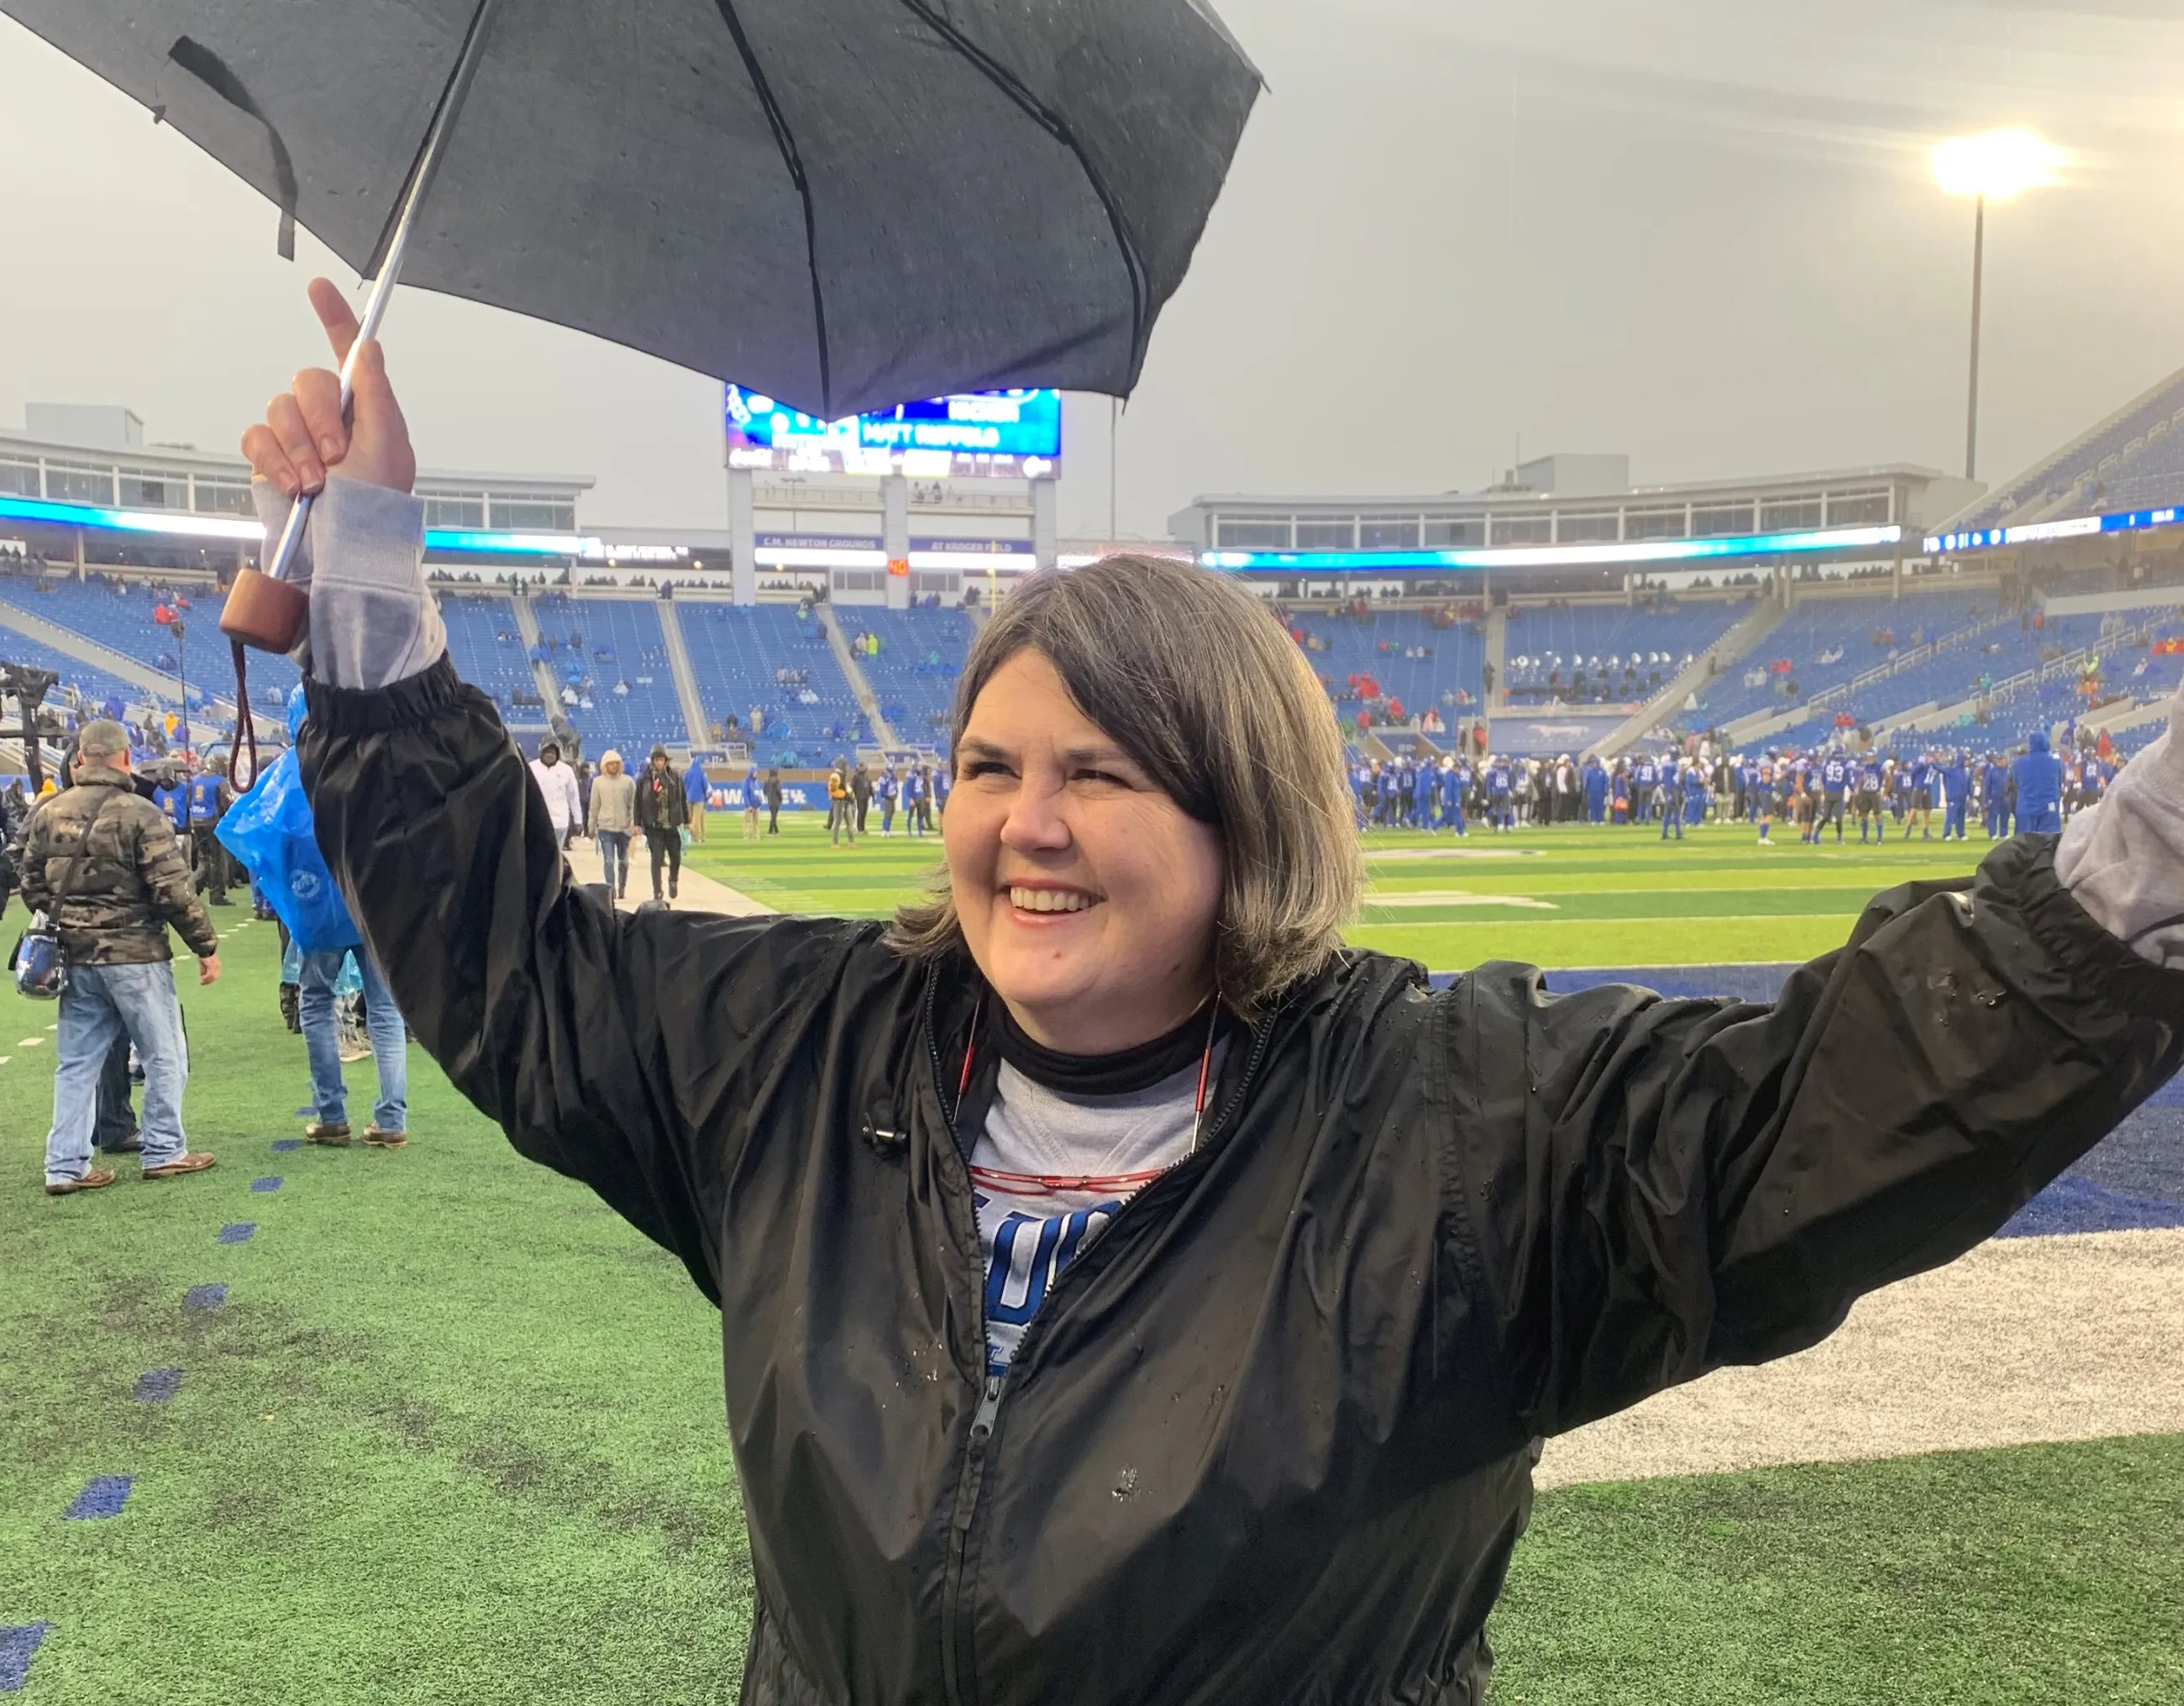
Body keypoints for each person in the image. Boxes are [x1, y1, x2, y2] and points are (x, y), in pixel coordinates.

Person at [255, 292, 2184, 1706]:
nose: (1026, 828)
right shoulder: (803, 1050)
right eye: (988, 767)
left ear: (1239, 808)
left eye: (1098, 773)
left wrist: (2144, 872)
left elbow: (1815, 1114)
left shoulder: (1451, 1126)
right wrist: (362, 567)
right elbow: (515, 970)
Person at [24, 720, 221, 1194]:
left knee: (77, 1062)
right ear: (125, 759)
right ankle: (165, 1150)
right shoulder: (141, 814)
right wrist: (205, 946)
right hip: (136, 955)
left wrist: (71, 920)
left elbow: (30, 883)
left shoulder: (48, 812)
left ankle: (65, 1165)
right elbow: (173, 891)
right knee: (164, 1055)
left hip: (76, 956)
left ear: (80, 758)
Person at [298, 947, 410, 1148]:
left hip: (321, 920)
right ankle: (392, 1122)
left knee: (317, 1002)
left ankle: (331, 1117)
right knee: (385, 1007)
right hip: (375, 918)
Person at [635, 745, 686, 902]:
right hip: (654, 825)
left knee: (676, 857)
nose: (659, 762)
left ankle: (673, 880)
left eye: (662, 759)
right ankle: (657, 890)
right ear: (652, 761)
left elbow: (682, 799)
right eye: (656, 759)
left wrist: (688, 821)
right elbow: (638, 802)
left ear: (666, 761)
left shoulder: (675, 777)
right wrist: (637, 823)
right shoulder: (644, 779)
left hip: (671, 824)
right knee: (656, 858)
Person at [588, 748, 637, 899]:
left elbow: (633, 805)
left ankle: (622, 887)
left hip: (624, 828)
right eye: (611, 764)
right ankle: (610, 889)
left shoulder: (628, 782)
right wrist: (591, 826)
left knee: (623, 862)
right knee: (609, 861)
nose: (614, 766)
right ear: (605, 765)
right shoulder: (598, 783)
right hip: (605, 828)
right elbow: (594, 806)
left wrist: (633, 823)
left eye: (617, 763)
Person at [186, 752, 234, 905]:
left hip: (196, 820)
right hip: (212, 821)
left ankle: (193, 888)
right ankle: (215, 895)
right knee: (215, 859)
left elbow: (189, 801)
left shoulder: (196, 779)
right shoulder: (220, 781)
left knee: (203, 858)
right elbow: (226, 804)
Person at [528, 738, 583, 850]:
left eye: (553, 752)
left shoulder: (566, 770)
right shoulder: (531, 768)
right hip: (537, 821)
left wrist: (578, 821)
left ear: (557, 753)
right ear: (542, 752)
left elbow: (573, 797)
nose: (550, 755)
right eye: (547, 751)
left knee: (556, 854)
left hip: (560, 822)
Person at [2013, 728, 2066, 835]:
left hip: (2026, 806)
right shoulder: (2055, 762)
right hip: (2049, 807)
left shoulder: (2019, 763)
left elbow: (2016, 783)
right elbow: (2060, 783)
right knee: (2049, 842)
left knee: (2025, 844)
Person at [685, 754, 711, 844]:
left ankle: (688, 837)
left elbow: (684, 784)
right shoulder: (701, 773)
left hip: (689, 798)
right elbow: (706, 786)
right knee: (696, 819)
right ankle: (696, 838)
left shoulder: (688, 772)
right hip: (699, 799)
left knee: (688, 818)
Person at [741, 764, 763, 841]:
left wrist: (760, 800)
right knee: (747, 822)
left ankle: (756, 836)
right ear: (752, 772)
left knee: (756, 822)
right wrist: (748, 805)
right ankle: (746, 836)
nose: (756, 773)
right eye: (755, 771)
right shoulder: (746, 782)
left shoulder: (756, 782)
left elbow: (758, 792)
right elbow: (745, 794)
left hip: (756, 805)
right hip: (750, 806)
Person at [852, 761, 874, 837]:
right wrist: (855, 795)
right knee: (861, 812)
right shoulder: (856, 776)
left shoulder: (866, 776)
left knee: (864, 812)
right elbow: (853, 786)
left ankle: (863, 828)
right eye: (863, 766)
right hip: (860, 797)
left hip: (866, 797)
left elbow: (869, 786)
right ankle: (859, 828)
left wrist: (872, 794)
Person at [763, 768, 783, 836]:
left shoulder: (767, 781)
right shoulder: (777, 780)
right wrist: (781, 798)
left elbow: (764, 791)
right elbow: (779, 790)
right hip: (776, 801)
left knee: (773, 816)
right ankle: (772, 831)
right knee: (774, 817)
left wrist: (767, 796)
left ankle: (774, 830)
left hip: (770, 801)